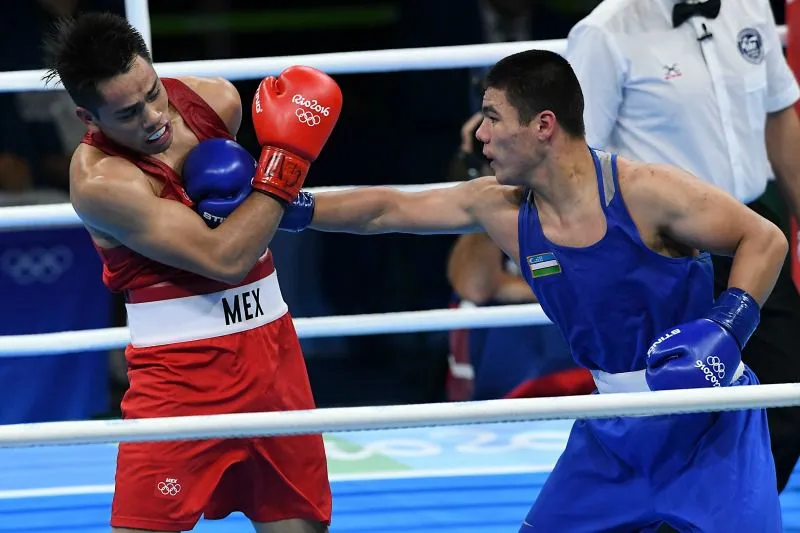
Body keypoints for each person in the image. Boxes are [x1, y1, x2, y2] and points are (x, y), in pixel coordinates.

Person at [277, 49, 788, 531]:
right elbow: (386, 209)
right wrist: (284, 202)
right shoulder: (500, 208)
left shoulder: (646, 192)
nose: (480, 134)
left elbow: (763, 237)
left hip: (709, 424)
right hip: (611, 431)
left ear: (543, 125)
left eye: (493, 117)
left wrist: (724, 329)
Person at [42, 11, 342, 533]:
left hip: (272, 352)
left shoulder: (216, 102)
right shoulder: (101, 182)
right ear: (88, 118)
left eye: (154, 92)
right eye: (129, 113)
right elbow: (225, 258)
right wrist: (287, 160)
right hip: (181, 377)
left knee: (299, 526)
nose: (155, 116)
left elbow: (249, 219)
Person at [565, 0, 800, 493]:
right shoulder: (605, 33)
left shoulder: (748, 6)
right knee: (675, 419)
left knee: (786, 395)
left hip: (755, 233)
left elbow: (779, 116)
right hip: (666, 251)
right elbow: (577, 164)